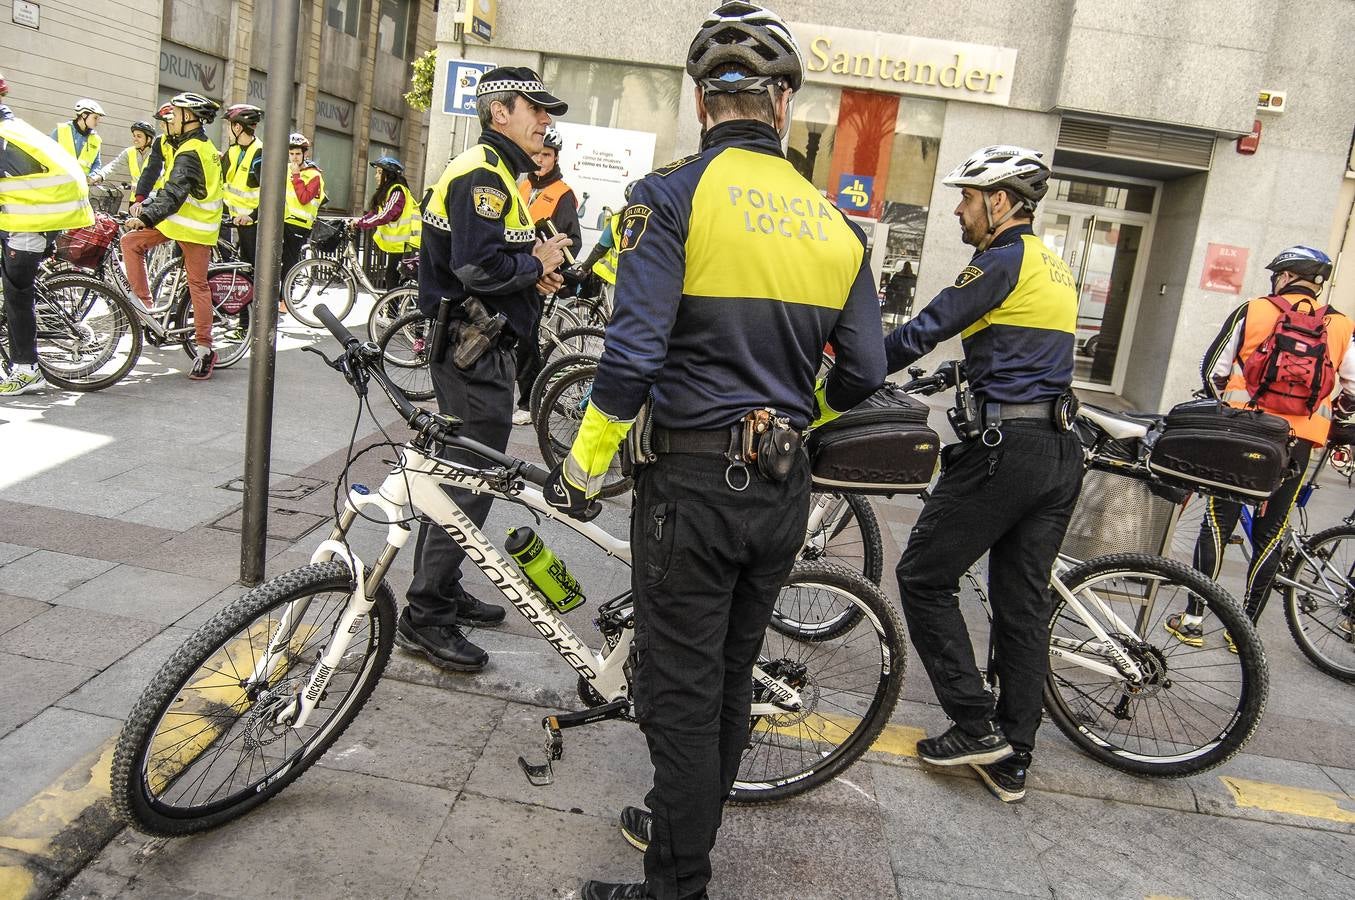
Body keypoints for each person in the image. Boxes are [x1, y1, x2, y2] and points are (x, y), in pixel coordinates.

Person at [545, 5, 886, 898]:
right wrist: (790, 415)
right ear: (783, 107)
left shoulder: (669, 196)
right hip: (780, 491)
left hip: (692, 486)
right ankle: (680, 839)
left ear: (703, 104)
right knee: (729, 682)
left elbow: (630, 354)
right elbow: (865, 372)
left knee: (677, 696)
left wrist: (580, 468)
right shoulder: (835, 226)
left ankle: (675, 885)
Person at [882, 144, 1082, 805]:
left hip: (1006, 452)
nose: (958, 209)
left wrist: (850, 365)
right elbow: (1018, 347)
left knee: (921, 576)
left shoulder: (999, 259)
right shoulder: (1053, 264)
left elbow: (925, 329)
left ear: (1000, 202)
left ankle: (973, 724)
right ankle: (1012, 759)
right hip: (1057, 451)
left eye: (967, 198)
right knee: (1020, 609)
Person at [402, 66, 572, 672]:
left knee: (463, 478)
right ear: (501, 112)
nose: (546, 122)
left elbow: (495, 256)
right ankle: (426, 614)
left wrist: (535, 265)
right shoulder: (483, 174)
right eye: (538, 110)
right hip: (473, 355)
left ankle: (439, 589)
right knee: (470, 484)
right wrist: (537, 263)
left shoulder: (500, 173)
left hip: (482, 348)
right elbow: (477, 269)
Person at [1167, 246, 1355, 644]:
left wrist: (1228, 408)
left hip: (1244, 432)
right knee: (1272, 531)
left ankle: (1194, 619)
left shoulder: (1254, 310)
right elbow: (1352, 392)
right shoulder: (1342, 326)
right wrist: (1329, 416)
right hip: (1298, 442)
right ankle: (1244, 632)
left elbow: (1213, 369)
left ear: (1285, 277)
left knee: (1219, 521)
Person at [0, 73, 95, 396]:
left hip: (33, 221)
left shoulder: (3, 136)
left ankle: (26, 368)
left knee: (17, 292)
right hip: (39, 217)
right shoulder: (14, 127)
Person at [120, 92, 224, 381]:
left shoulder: (193, 150)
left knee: (197, 286)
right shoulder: (186, 144)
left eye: (175, 114)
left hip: (196, 227)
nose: (170, 118)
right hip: (177, 221)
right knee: (131, 242)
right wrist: (145, 205)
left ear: (189, 118)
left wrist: (144, 216)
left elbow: (176, 193)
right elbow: (162, 181)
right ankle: (146, 309)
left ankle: (205, 350)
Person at [513, 125, 581, 425]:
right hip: (514, 269)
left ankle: (529, 402)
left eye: (548, 155)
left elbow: (572, 242)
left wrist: (552, 271)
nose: (541, 159)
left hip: (538, 277)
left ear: (556, 158)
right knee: (511, 336)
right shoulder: (521, 185)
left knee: (526, 339)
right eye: (539, 153)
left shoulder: (563, 194)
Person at [354, 155, 421, 288]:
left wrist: (360, 223)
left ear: (389, 175)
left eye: (380, 172)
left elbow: (384, 215)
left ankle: (393, 308)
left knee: (393, 277)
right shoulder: (389, 192)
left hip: (408, 242)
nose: (376, 176)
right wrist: (360, 221)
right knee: (393, 276)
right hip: (401, 243)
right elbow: (376, 212)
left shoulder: (397, 191)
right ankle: (392, 306)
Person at [221, 104, 264, 267]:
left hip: (251, 221)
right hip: (232, 215)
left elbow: (270, 196)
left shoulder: (259, 153)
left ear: (237, 127)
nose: (227, 131)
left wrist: (251, 217)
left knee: (251, 267)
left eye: (229, 126)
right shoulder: (233, 151)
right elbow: (219, 179)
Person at [280, 132, 323, 293]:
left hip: (299, 224)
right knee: (276, 261)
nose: (294, 157)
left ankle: (286, 298)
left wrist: (296, 175)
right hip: (282, 221)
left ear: (305, 154)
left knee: (289, 263)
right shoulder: (286, 169)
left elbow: (304, 198)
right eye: (291, 154)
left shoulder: (314, 174)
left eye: (298, 154)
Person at [130, 103, 175, 212]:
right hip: (164, 196)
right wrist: (139, 199)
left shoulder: (189, 143)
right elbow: (151, 170)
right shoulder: (161, 141)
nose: (161, 126)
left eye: (164, 123)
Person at [90, 120, 156, 188]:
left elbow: (159, 173)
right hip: (137, 196)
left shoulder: (157, 153)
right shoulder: (129, 152)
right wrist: (99, 176)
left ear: (148, 139)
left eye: (139, 136)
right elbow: (113, 166)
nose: (135, 139)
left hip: (156, 195)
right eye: (134, 136)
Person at [51, 99, 104, 178]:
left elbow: (97, 164)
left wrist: (92, 177)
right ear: (84, 115)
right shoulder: (60, 131)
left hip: (80, 188)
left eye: (99, 119)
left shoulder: (96, 139)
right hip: (59, 186)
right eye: (95, 118)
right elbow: (46, 156)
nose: (97, 122)